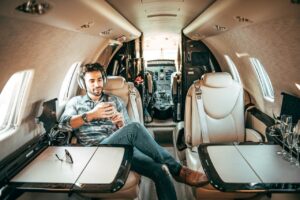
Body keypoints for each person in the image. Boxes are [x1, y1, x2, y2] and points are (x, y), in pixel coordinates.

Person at [59, 63, 208, 200]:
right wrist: (91, 115)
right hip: (96, 152)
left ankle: (172, 170)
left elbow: (128, 131)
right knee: (135, 128)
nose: (97, 84)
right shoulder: (76, 102)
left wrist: (120, 124)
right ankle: (179, 171)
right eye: (92, 81)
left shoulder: (115, 100)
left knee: (160, 171)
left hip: (120, 149)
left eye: (99, 79)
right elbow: (63, 125)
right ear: (83, 83)